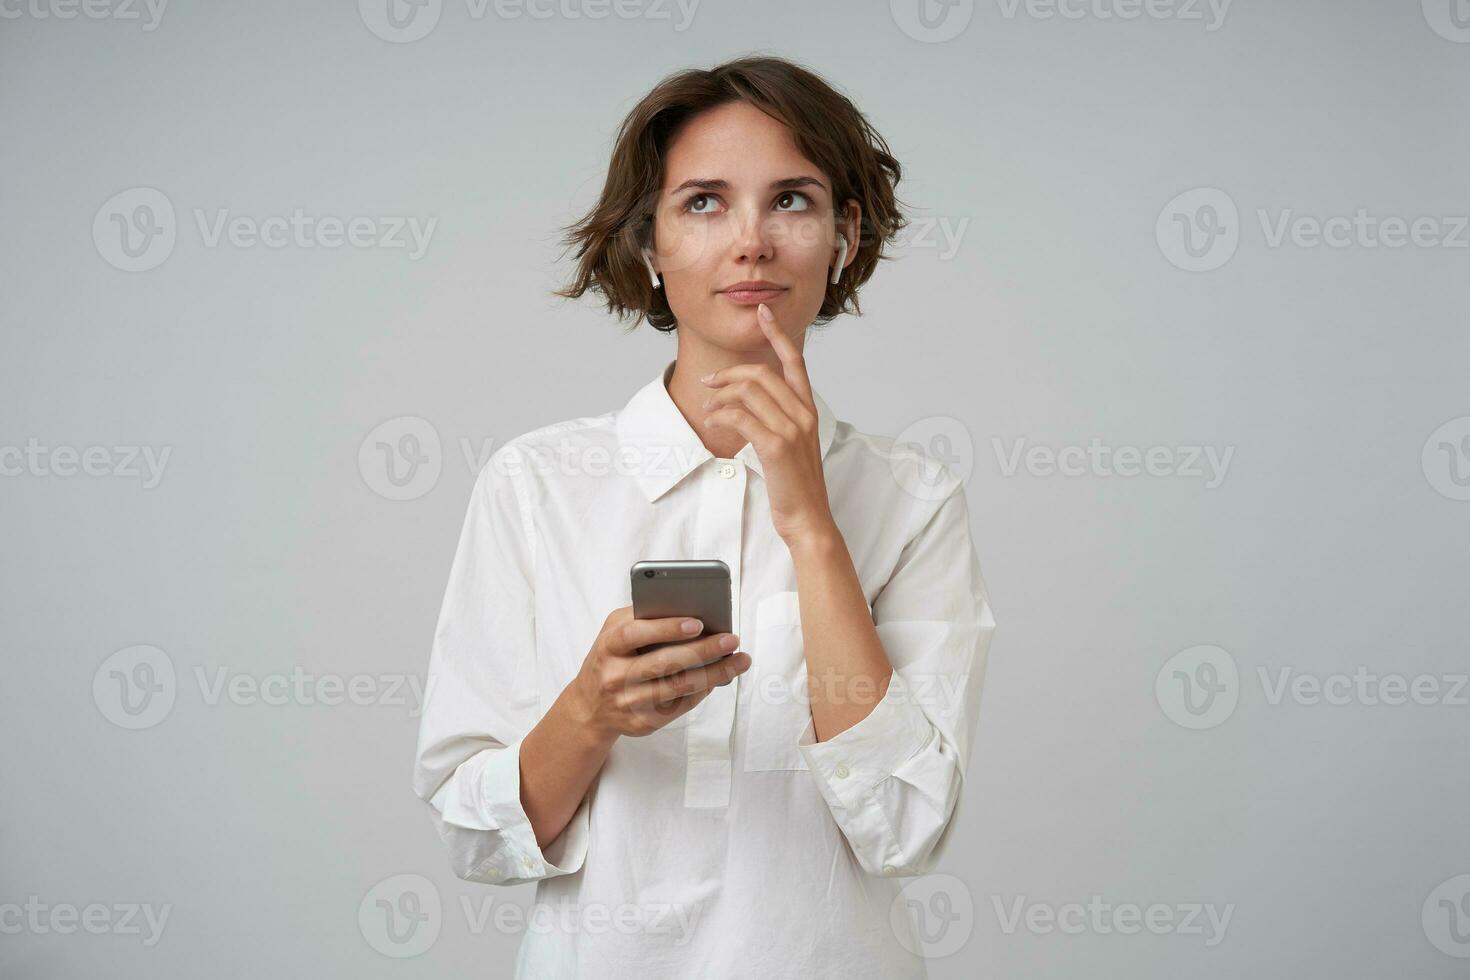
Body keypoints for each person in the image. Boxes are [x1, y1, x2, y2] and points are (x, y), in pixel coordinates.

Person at [412, 55, 997, 979]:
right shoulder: (536, 484)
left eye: (794, 201)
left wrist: (810, 523)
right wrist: (589, 712)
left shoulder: (913, 496)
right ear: (648, 243)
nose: (753, 241)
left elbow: (903, 824)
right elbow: (473, 836)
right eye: (704, 203)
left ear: (845, 233)